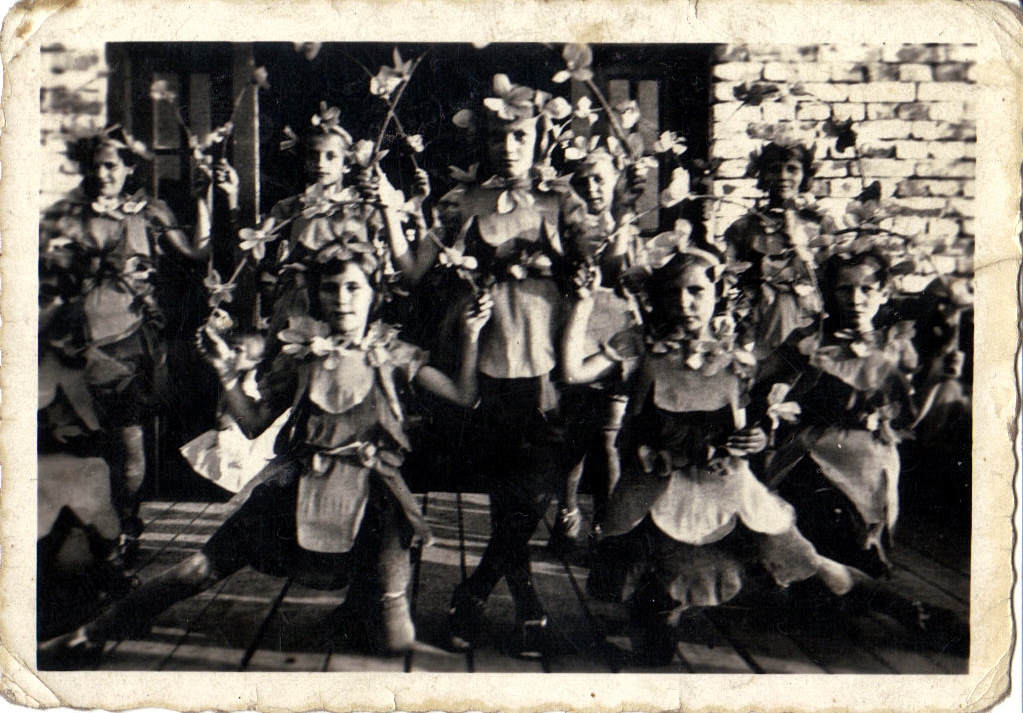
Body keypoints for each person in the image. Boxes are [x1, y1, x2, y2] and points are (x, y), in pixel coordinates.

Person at [40, 244, 493, 663]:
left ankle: (360, 611)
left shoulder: (394, 356)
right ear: (317, 294)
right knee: (197, 569)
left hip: (375, 498)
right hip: (299, 487)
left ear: (375, 293)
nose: (341, 299)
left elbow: (463, 394)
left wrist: (471, 335)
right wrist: (225, 373)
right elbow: (255, 422)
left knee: (394, 643)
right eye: (330, 288)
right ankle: (90, 633)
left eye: (354, 287)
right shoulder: (300, 353)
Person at [562, 243, 860, 666]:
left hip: (725, 492)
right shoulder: (641, 343)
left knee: (813, 567)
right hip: (654, 495)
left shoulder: (737, 355)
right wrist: (582, 304)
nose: (685, 303)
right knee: (654, 641)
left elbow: (760, 413)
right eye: (674, 293)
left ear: (717, 293)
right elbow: (573, 372)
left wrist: (757, 438)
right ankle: (661, 610)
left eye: (697, 291)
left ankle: (903, 606)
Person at [409, 74, 590, 657]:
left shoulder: (561, 201)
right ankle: (526, 608)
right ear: (483, 141)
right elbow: (417, 269)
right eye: (496, 137)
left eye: (520, 136)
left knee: (530, 495)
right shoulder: (465, 201)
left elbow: (599, 262)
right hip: (486, 362)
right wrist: (401, 212)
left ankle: (476, 592)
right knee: (508, 497)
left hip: (547, 364)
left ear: (541, 138)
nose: (508, 148)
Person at [39, 126, 229, 563]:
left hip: (126, 346)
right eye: (95, 166)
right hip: (74, 348)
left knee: (128, 444)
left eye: (111, 166)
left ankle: (127, 526)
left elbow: (197, 253)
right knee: (81, 448)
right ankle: (89, 538)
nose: (102, 174)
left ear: (128, 169)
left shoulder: (148, 212)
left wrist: (204, 198)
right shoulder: (68, 215)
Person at [246, 105, 419, 341]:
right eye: (313, 155)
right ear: (304, 161)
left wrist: (383, 202)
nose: (320, 163)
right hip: (301, 306)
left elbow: (399, 256)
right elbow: (254, 251)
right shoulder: (291, 208)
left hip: (349, 304)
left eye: (331, 156)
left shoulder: (362, 207)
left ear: (346, 164)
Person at [549, 148, 645, 551]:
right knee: (574, 438)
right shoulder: (572, 224)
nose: (592, 187)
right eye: (585, 180)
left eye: (600, 179)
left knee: (608, 438)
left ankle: (605, 528)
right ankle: (567, 511)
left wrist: (624, 218)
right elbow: (598, 267)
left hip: (617, 338)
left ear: (617, 180)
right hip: (579, 335)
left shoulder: (629, 224)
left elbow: (625, 272)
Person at [723, 140, 835, 361]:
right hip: (761, 318)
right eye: (774, 169)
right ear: (763, 175)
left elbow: (831, 277)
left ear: (805, 174)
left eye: (792, 169)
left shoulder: (821, 224)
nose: (783, 176)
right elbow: (729, 279)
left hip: (808, 316)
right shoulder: (745, 227)